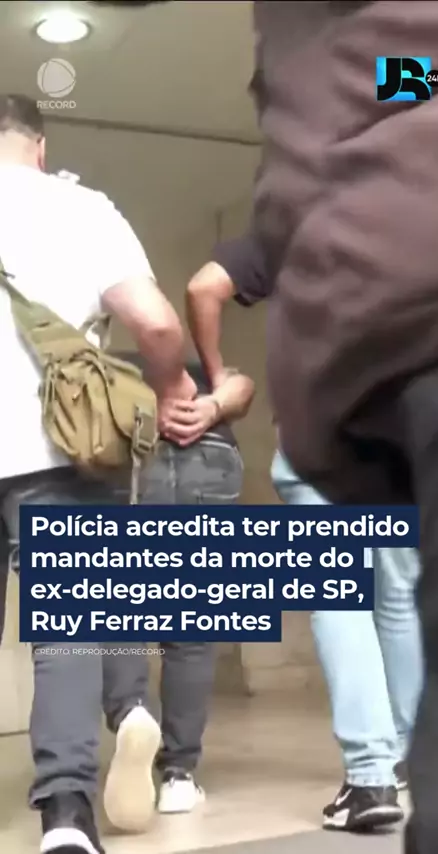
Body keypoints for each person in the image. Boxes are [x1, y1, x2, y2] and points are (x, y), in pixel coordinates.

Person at [249, 2, 438, 852]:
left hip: (403, 367)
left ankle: (373, 771)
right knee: (413, 602)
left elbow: (385, 75)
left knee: (352, 600)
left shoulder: (371, 66)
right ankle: (411, 762)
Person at [0, 93, 196, 854]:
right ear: (40, 146)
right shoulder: (82, 209)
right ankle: (66, 817)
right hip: (59, 449)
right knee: (69, 635)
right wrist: (172, 387)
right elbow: (155, 320)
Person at [186, 233, 422, 831]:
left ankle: (369, 779)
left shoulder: (293, 220)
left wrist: (219, 376)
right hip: (400, 434)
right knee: (398, 596)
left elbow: (204, 286)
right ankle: (409, 757)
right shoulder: (416, 213)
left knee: (340, 598)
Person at [100, 352, 252, 830]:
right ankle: (179, 776)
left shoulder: (106, 364)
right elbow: (243, 386)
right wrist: (213, 407)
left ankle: (131, 713)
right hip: (210, 452)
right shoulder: (200, 367)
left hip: (132, 451)